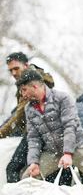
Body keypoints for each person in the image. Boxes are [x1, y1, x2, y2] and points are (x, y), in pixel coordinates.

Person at [17, 69, 83, 186]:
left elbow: (70, 126)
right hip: (52, 152)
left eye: (24, 90)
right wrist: (33, 162)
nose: (23, 95)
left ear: (34, 86)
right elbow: (33, 138)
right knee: (27, 179)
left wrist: (68, 153)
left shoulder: (62, 98)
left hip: (77, 147)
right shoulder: (29, 109)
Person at [4, 52, 54, 183]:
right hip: (43, 132)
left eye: (16, 68)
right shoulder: (29, 82)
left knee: (13, 168)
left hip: (38, 133)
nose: (14, 73)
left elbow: (18, 116)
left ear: (26, 65)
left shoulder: (32, 84)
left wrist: (2, 132)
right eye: (11, 70)